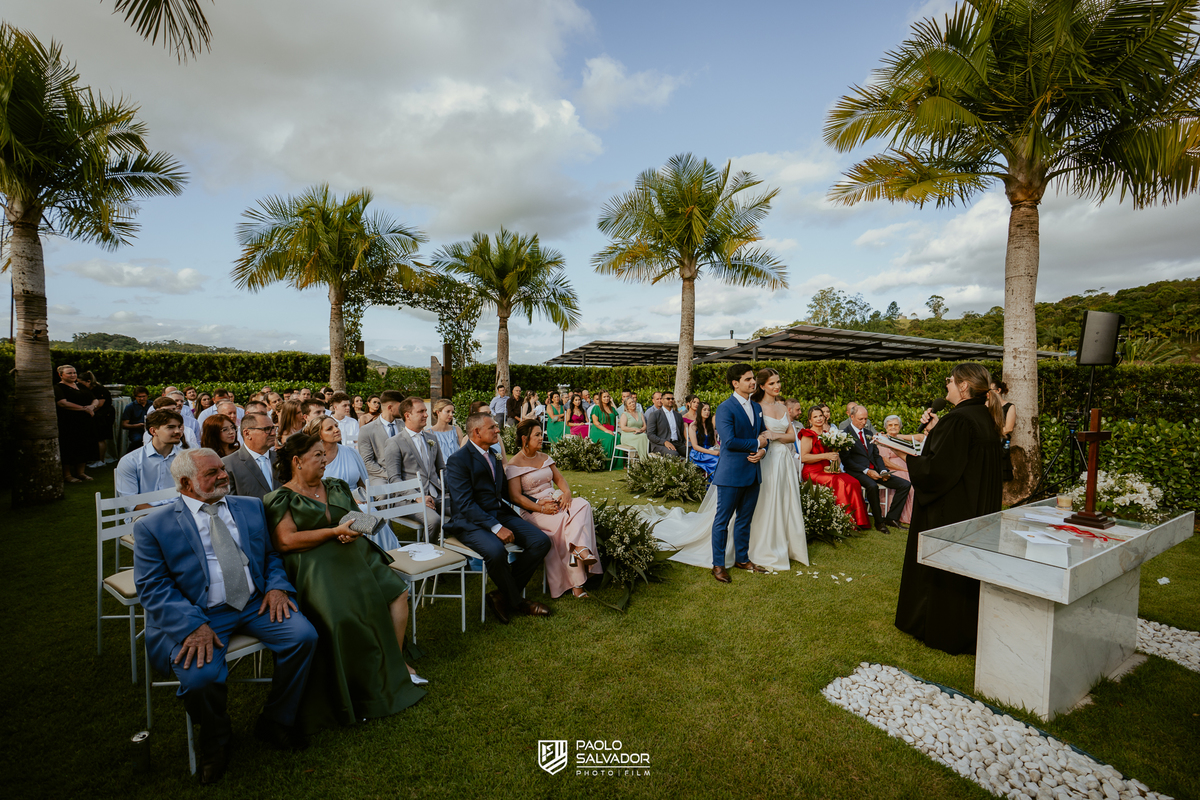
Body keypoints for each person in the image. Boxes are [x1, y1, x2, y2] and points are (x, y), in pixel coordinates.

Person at [133, 448, 319, 784]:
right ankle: (216, 740)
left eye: (222, 468)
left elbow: (269, 556)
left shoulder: (249, 507)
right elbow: (153, 588)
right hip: (199, 613)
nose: (223, 476)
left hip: (255, 602)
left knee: (304, 638)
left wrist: (277, 587)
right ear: (186, 483)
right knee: (201, 679)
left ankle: (277, 720)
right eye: (212, 473)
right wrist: (193, 626)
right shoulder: (153, 527)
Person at [263, 434, 427, 734]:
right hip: (314, 563)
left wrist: (356, 530)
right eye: (317, 456)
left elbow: (358, 519)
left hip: (354, 552)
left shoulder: (336, 486)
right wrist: (331, 532)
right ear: (297, 462)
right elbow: (286, 541)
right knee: (342, 614)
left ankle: (394, 661)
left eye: (324, 455)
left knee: (398, 594)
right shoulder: (280, 498)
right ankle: (356, 685)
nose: (325, 460)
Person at [895, 363, 1005, 656]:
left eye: (950, 382)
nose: (947, 386)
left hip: (952, 511)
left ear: (964, 386)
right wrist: (934, 431)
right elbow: (960, 458)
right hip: (976, 508)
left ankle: (938, 628)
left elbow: (936, 471)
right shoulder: (984, 416)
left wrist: (905, 455)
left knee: (945, 570)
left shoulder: (958, 420)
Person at [443, 413, 552, 624]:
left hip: (499, 513)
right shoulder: (457, 460)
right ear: (477, 432)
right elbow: (465, 504)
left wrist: (537, 504)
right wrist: (495, 526)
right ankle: (518, 602)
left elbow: (505, 492)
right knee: (495, 551)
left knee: (540, 542)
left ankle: (500, 595)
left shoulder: (493, 454)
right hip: (470, 521)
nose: (498, 430)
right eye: (492, 427)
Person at [504, 420, 603, 599]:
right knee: (567, 522)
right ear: (525, 438)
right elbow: (515, 497)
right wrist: (541, 509)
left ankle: (578, 549)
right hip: (534, 510)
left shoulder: (544, 457)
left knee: (583, 505)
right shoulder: (514, 464)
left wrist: (566, 493)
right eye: (537, 435)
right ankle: (578, 581)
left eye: (541, 434)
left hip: (556, 499)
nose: (542, 437)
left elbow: (560, 479)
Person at [381, 397, 445, 540]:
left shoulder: (432, 438)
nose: (426, 415)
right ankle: (428, 553)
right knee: (433, 521)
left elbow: (442, 469)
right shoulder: (394, 442)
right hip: (409, 499)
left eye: (426, 411)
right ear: (407, 415)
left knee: (465, 509)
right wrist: (417, 496)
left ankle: (458, 551)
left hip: (437, 495)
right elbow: (394, 478)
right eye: (421, 411)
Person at [842, 405, 911, 532]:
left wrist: (883, 470)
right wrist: (867, 471)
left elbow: (876, 455)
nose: (864, 422)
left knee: (905, 484)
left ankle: (891, 518)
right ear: (852, 417)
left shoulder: (869, 433)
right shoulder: (845, 434)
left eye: (866, 419)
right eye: (861, 419)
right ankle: (879, 522)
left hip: (876, 470)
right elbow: (847, 461)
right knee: (872, 486)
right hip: (857, 471)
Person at [799, 406, 869, 528]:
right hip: (812, 471)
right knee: (838, 482)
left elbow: (835, 454)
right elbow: (804, 457)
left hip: (828, 470)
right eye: (815, 417)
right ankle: (845, 521)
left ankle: (860, 521)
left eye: (820, 415)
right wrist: (825, 456)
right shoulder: (808, 434)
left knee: (853, 481)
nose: (819, 419)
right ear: (810, 420)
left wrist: (836, 464)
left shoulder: (828, 434)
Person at [115, 409, 185, 508]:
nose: (178, 431)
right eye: (170, 427)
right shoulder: (131, 461)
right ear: (153, 431)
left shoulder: (186, 458)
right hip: (144, 515)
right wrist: (163, 516)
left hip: (180, 512)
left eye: (179, 427)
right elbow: (130, 501)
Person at [304, 416, 369, 501]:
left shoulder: (352, 453)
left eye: (336, 426)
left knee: (371, 512)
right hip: (330, 505)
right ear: (319, 435)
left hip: (359, 502)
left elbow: (363, 484)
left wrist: (363, 499)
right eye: (329, 429)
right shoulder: (312, 459)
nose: (336, 430)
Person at [874, 415, 922, 525]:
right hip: (893, 469)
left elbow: (921, 437)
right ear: (886, 427)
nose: (893, 427)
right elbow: (885, 462)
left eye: (896, 425)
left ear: (900, 427)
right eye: (890, 425)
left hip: (906, 467)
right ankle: (905, 515)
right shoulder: (883, 440)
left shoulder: (900, 439)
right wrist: (905, 469)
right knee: (911, 484)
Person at [54, 364, 99, 483]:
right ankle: (67, 475)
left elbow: (95, 399)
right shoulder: (58, 388)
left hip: (85, 422)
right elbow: (62, 403)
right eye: (69, 373)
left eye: (74, 372)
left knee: (83, 446)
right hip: (68, 423)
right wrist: (84, 409)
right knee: (69, 447)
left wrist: (92, 406)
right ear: (61, 375)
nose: (73, 375)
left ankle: (81, 472)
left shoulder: (81, 386)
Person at [223, 413, 280, 501]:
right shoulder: (228, 465)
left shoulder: (282, 459)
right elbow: (232, 504)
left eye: (273, 428)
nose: (273, 433)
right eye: (267, 429)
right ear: (247, 433)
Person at [358, 390, 405, 484]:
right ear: (390, 407)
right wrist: (390, 475)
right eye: (401, 407)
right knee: (384, 493)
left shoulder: (405, 426)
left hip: (405, 473)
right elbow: (367, 462)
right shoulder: (366, 430)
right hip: (380, 475)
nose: (403, 410)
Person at [79, 371, 116, 467]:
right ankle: (93, 458)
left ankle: (101, 460)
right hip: (97, 414)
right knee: (95, 437)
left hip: (103, 415)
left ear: (88, 381)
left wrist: (88, 410)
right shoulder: (90, 389)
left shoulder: (99, 389)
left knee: (100, 437)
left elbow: (99, 404)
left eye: (81, 383)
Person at [646, 391, 686, 458]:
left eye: (672, 399)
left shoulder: (678, 415)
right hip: (661, 444)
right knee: (674, 455)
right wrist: (664, 442)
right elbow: (650, 434)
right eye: (668, 398)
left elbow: (682, 432)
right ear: (662, 400)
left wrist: (686, 442)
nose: (671, 400)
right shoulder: (655, 415)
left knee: (693, 453)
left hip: (677, 443)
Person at [991, 380, 1016, 482]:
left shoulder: (1010, 407)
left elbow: (1009, 428)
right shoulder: (985, 406)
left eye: (990, 390)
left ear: (998, 390)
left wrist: (991, 434)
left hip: (1000, 444)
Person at [688, 401, 720, 479]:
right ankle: (714, 486)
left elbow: (715, 443)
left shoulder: (710, 426)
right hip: (698, 454)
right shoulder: (693, 426)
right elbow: (695, 446)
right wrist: (713, 452)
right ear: (699, 411)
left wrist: (721, 450)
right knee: (717, 461)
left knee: (726, 459)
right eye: (704, 410)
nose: (707, 412)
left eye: (708, 410)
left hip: (710, 450)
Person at [617, 394, 650, 463]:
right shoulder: (625, 414)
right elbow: (623, 427)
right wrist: (635, 429)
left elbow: (645, 426)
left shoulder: (640, 413)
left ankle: (642, 460)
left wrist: (640, 430)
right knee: (643, 436)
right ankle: (644, 461)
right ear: (626, 406)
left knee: (644, 436)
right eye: (630, 403)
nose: (632, 404)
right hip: (627, 435)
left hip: (639, 434)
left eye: (633, 402)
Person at [588, 391, 619, 466]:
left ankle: (616, 463)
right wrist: (607, 431)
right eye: (604, 397)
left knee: (618, 437)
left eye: (608, 396)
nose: (606, 398)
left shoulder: (611, 408)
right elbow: (595, 422)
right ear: (600, 398)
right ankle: (606, 463)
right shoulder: (596, 407)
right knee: (610, 438)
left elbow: (617, 419)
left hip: (611, 429)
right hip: (598, 430)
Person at [121, 386, 152, 454]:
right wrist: (137, 426)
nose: (142, 398)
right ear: (135, 397)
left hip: (150, 428)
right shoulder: (130, 407)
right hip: (136, 430)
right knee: (138, 440)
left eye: (144, 396)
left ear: (147, 396)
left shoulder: (152, 405)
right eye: (139, 397)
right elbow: (124, 425)